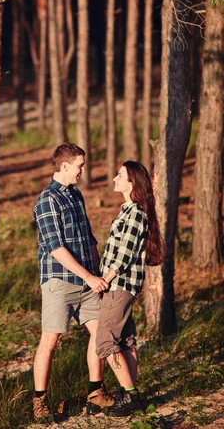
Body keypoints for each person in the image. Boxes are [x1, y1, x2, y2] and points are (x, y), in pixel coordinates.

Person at [32, 143, 113, 421]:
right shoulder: (47, 200)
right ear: (64, 166)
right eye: (79, 165)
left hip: (88, 281)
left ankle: (95, 393)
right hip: (60, 281)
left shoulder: (76, 195)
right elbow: (55, 248)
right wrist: (88, 276)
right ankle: (40, 401)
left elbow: (88, 237)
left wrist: (97, 271)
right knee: (50, 341)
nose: (82, 170)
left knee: (101, 334)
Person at [96, 161, 163, 417]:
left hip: (119, 284)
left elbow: (124, 254)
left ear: (132, 182)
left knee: (104, 340)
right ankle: (130, 394)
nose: (115, 178)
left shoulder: (135, 212)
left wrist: (105, 279)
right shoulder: (128, 211)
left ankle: (132, 396)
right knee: (124, 340)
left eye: (120, 175)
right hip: (120, 285)